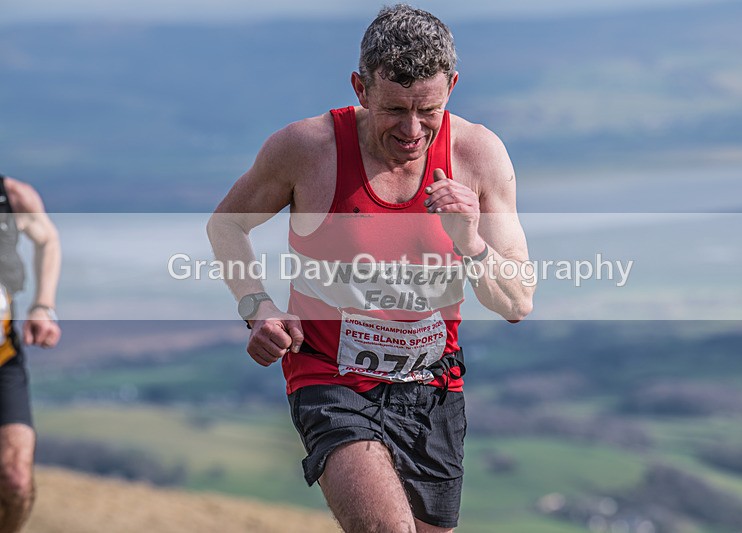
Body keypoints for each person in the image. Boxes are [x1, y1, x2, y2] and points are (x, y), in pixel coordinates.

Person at [207, 5, 533, 532]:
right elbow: (226, 226)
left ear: (452, 85)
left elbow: (516, 303)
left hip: (432, 387)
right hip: (329, 378)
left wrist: (470, 242)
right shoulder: (307, 150)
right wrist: (257, 307)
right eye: (394, 110)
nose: (411, 130)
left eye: (428, 109)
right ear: (360, 88)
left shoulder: (478, 155)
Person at [0, 173, 61, 532]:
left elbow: (48, 238)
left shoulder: (13, 197)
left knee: (16, 480)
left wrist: (43, 305)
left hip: (4, 357)